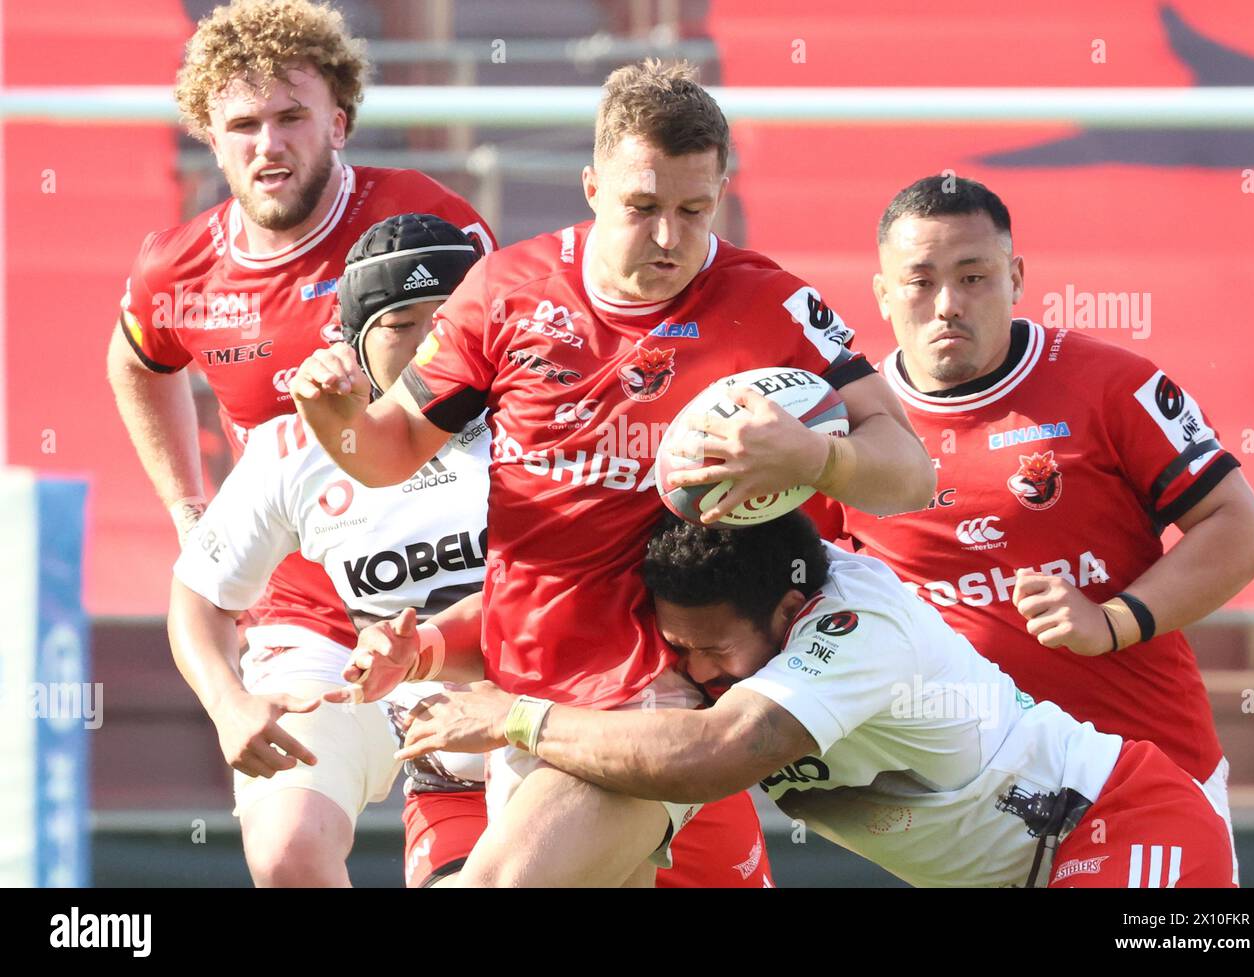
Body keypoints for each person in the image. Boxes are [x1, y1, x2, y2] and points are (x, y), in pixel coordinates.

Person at [291, 59, 936, 886]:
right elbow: (382, 455)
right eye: (643, 208)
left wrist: (817, 455)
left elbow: (909, 470)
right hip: (532, 693)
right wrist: (333, 414)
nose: (670, 237)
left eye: (694, 210)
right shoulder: (506, 292)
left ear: (722, 192)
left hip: (662, 694)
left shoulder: (766, 304)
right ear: (592, 186)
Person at [173, 213, 775, 889]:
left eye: (450, 318)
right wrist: (229, 704)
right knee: (289, 849)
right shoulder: (300, 447)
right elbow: (198, 594)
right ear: (352, 341)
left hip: (612, 738)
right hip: (450, 769)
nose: (433, 343)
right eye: (402, 325)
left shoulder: (562, 420)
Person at [106, 0, 496, 886]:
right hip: (308, 620)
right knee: (285, 855)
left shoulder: (430, 228)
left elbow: (513, 390)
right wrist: (188, 510)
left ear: (340, 121)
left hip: (463, 602)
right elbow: (135, 365)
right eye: (242, 124)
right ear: (210, 134)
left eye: (291, 117)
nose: (268, 145)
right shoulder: (178, 268)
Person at [811, 175, 1254, 881]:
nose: (948, 305)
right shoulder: (849, 434)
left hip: (1148, 788)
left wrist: (1114, 619)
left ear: (1016, 276)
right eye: (920, 281)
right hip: (971, 821)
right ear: (880, 293)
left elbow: (1240, 528)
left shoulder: (1110, 384)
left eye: (973, 277)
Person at [396, 512, 1236, 888]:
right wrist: (425, 644)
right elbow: (540, 613)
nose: (693, 665)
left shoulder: (858, 623)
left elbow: (717, 753)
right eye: (677, 643)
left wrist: (511, 717)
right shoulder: (703, 606)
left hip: (1123, 821)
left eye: (715, 650)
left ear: (793, 616)